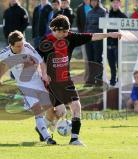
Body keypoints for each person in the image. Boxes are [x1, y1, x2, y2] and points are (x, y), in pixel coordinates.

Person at [36, 15, 122, 145]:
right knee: (60, 112)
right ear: (54, 29)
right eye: (62, 32)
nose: (64, 34)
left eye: (66, 31)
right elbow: (37, 58)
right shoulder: (46, 41)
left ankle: (74, 139)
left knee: (76, 107)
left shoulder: (71, 37)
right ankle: (42, 127)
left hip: (66, 81)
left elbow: (91, 36)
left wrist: (110, 35)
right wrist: (43, 73)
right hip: (51, 83)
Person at [0, 30, 56, 145]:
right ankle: (47, 137)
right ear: (11, 45)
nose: (21, 48)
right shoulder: (4, 53)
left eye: (22, 44)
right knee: (37, 109)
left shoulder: (28, 47)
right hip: (24, 85)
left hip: (37, 81)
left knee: (50, 110)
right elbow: (3, 65)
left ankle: (41, 128)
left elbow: (41, 62)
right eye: (18, 46)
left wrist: (44, 74)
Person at [84, 0, 106, 87]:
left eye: (95, 1)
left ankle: (99, 80)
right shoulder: (89, 12)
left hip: (98, 39)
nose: (93, 2)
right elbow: (86, 26)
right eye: (92, 1)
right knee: (90, 60)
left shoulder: (103, 11)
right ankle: (91, 80)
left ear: (98, 2)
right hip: (89, 39)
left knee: (98, 59)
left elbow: (103, 27)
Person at [107, 0, 127, 86]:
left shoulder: (123, 16)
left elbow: (126, 31)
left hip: (119, 44)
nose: (115, 4)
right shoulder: (107, 15)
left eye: (117, 2)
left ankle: (120, 80)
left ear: (120, 4)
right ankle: (112, 79)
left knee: (119, 64)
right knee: (111, 64)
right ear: (111, 3)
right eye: (113, 2)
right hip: (108, 43)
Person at [76, 0, 92, 85]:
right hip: (84, 37)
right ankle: (87, 78)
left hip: (96, 36)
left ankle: (96, 78)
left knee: (95, 58)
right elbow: (78, 23)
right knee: (86, 58)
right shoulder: (80, 8)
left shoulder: (95, 6)